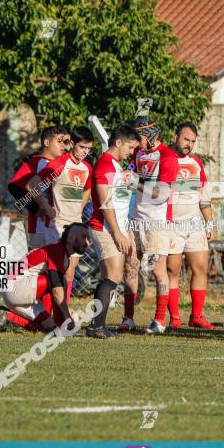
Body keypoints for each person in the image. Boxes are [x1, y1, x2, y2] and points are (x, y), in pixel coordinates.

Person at [28, 127, 93, 304]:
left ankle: (63, 312)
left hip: (76, 224)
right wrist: (47, 207)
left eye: (89, 149)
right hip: (57, 225)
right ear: (72, 144)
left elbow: (88, 188)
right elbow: (32, 185)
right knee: (56, 270)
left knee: (70, 271)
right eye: (82, 147)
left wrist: (80, 206)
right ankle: (49, 312)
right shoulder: (60, 163)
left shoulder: (87, 167)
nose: (85, 152)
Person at [88, 125, 140, 338]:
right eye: (130, 147)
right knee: (114, 275)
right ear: (118, 142)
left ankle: (96, 324)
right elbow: (105, 203)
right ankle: (96, 326)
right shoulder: (105, 165)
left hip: (115, 227)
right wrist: (118, 233)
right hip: (105, 227)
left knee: (108, 276)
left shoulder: (116, 166)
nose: (132, 152)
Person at [164, 122, 215, 329]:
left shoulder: (195, 162)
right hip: (171, 224)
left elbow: (203, 195)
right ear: (176, 136)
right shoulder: (164, 159)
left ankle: (197, 316)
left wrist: (209, 222)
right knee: (172, 270)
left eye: (193, 141)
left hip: (194, 223)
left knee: (200, 268)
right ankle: (175, 318)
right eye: (186, 139)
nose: (189, 145)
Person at [129, 118, 177, 334]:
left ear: (150, 136)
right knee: (130, 266)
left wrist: (136, 183)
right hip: (136, 217)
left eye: (139, 138)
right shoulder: (137, 153)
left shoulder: (167, 157)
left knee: (158, 270)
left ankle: (159, 321)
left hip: (156, 221)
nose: (136, 143)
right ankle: (127, 318)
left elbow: (161, 193)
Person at [1, 223, 91, 334]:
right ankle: (64, 324)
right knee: (60, 283)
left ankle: (6, 316)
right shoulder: (57, 251)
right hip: (16, 287)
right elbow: (57, 290)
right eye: (84, 237)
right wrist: (67, 318)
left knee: (49, 328)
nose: (88, 242)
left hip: (15, 290)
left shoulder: (62, 254)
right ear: (71, 238)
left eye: (89, 238)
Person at [7, 125, 70, 249]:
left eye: (65, 142)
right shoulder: (36, 162)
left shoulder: (65, 164)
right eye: (59, 141)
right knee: (39, 263)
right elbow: (14, 187)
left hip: (62, 224)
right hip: (40, 227)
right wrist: (35, 209)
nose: (63, 146)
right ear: (46, 142)